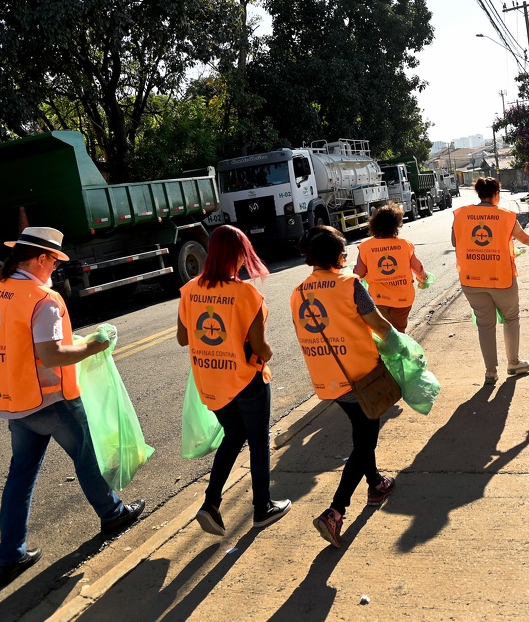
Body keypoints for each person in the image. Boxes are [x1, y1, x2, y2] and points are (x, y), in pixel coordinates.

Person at [0, 226, 145, 589]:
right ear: (39, 259)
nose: (54, 267)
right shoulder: (43, 298)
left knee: (20, 477)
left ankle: (10, 555)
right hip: (50, 400)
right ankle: (113, 513)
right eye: (53, 260)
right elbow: (50, 354)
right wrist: (93, 348)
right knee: (88, 456)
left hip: (15, 403)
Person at [176, 225, 291, 536]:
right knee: (258, 442)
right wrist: (268, 352)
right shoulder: (246, 293)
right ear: (238, 255)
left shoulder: (190, 291)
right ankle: (262, 507)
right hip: (246, 380)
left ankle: (211, 503)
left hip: (211, 382)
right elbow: (260, 347)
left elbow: (183, 338)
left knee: (233, 434)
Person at [291, 226, 399, 548]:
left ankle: (376, 483)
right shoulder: (349, 285)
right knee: (364, 442)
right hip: (360, 377)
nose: (346, 258)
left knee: (360, 431)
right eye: (344, 253)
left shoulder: (297, 292)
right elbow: (379, 325)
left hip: (328, 380)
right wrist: (401, 345)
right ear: (337, 257)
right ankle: (335, 512)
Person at [452, 176, 529, 385]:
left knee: (485, 325)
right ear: (496, 194)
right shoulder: (505, 215)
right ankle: (513, 363)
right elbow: (522, 238)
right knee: (511, 318)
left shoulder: (461, 214)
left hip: (471, 279)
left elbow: (454, 241)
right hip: (501, 277)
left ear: (478, 193)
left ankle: (490, 372)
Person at [353, 202, 427, 332]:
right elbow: (418, 268)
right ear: (396, 224)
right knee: (399, 331)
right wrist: (423, 278)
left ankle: (386, 351)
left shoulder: (366, 247)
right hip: (403, 297)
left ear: (374, 223)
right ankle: (399, 350)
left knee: (384, 333)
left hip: (379, 298)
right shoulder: (405, 244)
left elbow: (358, 273)